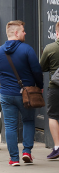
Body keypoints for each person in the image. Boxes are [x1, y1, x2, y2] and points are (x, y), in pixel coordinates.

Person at [0, 20, 43, 166]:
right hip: (26, 94)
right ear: (16, 33)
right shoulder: (27, 50)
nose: (25, 33)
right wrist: (40, 86)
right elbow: (37, 71)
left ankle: (14, 158)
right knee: (28, 121)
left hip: (6, 94)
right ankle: (27, 151)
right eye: (23, 30)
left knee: (9, 126)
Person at [40, 21, 59, 160]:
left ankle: (57, 147)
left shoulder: (50, 48)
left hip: (55, 87)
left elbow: (41, 67)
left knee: (53, 115)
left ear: (57, 33)